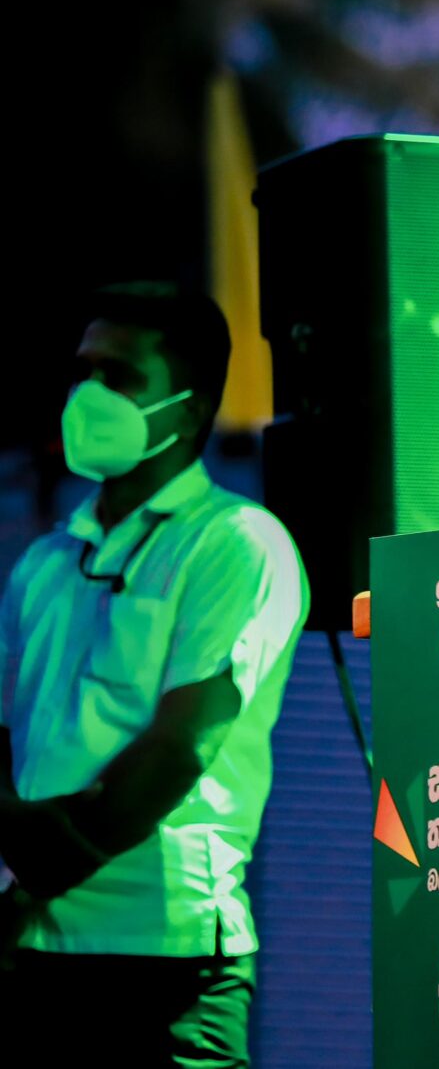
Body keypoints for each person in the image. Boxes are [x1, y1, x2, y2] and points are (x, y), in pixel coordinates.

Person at [0, 283, 308, 1067]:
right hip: (35, 955)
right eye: (83, 370)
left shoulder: (237, 543)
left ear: (191, 408)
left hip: (171, 961)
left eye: (120, 376)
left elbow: (180, 748)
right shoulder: (45, 562)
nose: (89, 394)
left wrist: (32, 874)